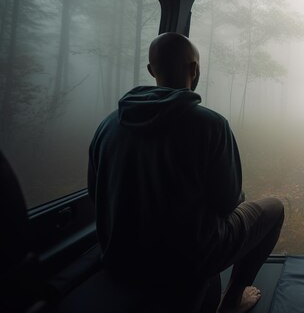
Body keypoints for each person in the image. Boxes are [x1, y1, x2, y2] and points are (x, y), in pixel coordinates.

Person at [88, 32, 284, 313]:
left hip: (122, 260)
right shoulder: (211, 125)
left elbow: (96, 195)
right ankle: (232, 301)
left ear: (151, 70)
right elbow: (228, 202)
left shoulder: (107, 127)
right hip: (190, 260)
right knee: (274, 208)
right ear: (194, 69)